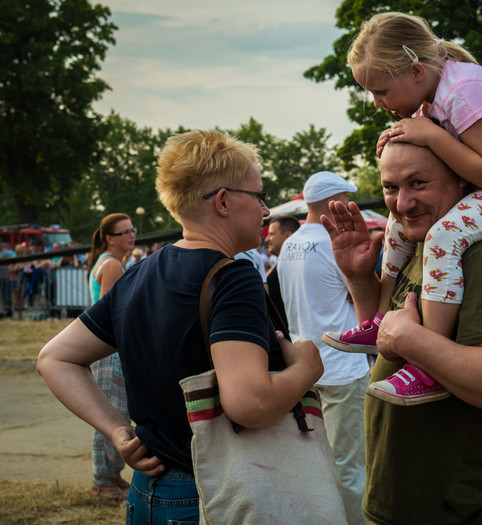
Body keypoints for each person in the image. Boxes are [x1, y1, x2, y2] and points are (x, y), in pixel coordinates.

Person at [37, 130, 323, 523]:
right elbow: (250, 402)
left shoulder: (137, 275)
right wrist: (307, 369)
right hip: (215, 493)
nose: (266, 211)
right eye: (258, 196)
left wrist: (120, 433)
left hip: (147, 493)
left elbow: (55, 358)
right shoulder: (232, 277)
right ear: (223, 201)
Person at [324, 11, 482, 406]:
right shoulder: (431, 99)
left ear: (416, 71)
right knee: (396, 223)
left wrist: (429, 134)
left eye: (380, 91)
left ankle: (428, 360)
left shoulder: (464, 89)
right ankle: (380, 318)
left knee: (445, 234)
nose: (377, 102)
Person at [323, 141, 482, 524]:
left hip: (465, 510)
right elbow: (390, 343)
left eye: (419, 183)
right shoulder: (424, 244)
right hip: (407, 501)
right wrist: (359, 279)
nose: (402, 203)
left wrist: (413, 340)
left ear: (462, 182)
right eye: (391, 187)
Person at [277, 171, 370, 525]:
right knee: (351, 467)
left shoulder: (289, 243)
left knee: (321, 465)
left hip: (307, 367)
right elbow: (363, 297)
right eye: (348, 198)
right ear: (335, 201)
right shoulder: (335, 243)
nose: (351, 205)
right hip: (344, 367)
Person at [84, 213, 137, 500]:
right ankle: (102, 480)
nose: (132, 236)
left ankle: (110, 475)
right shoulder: (113, 265)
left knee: (115, 412)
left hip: (107, 349)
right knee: (112, 414)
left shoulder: (107, 261)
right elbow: (110, 315)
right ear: (110, 238)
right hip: (110, 350)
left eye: (132, 230)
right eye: (125, 232)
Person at [263, 215, 301, 330]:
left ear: (288, 236)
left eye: (272, 234)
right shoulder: (278, 266)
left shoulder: (297, 268)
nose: (267, 239)